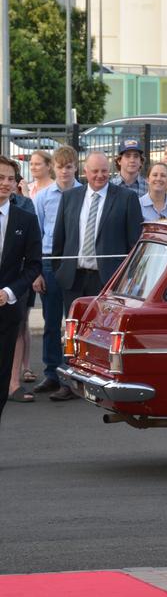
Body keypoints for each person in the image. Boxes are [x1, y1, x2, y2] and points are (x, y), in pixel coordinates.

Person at [52, 151, 143, 401]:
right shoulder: (70, 197)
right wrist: (61, 271)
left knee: (103, 333)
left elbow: (135, 244)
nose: (100, 176)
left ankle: (101, 384)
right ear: (85, 172)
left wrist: (129, 280)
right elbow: (60, 238)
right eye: (94, 171)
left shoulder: (125, 198)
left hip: (107, 280)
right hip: (73, 276)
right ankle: (70, 381)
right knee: (72, 331)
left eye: (104, 171)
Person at [31, 146, 81, 398]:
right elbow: (36, 236)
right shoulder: (42, 197)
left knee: (73, 323)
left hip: (75, 262)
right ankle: (51, 373)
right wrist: (37, 271)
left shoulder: (84, 194)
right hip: (50, 262)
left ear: (75, 168)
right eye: (60, 167)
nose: (64, 171)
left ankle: (72, 375)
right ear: (54, 168)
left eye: (69, 166)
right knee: (51, 322)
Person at [0, 154, 42, 426]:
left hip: (6, 312)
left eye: (10, 179)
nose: (5, 183)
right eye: (0, 178)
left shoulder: (25, 219)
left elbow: (33, 265)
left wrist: (9, 292)